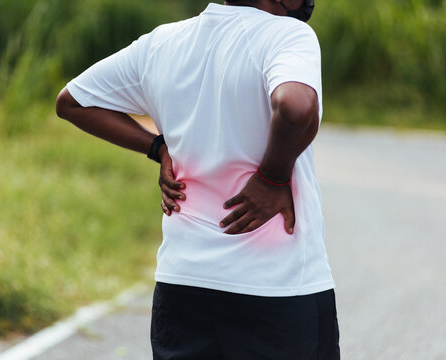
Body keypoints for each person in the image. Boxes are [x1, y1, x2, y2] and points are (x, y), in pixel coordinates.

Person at [56, 0, 340, 358]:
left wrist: (158, 147)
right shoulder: (287, 35)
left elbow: (73, 101)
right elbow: (297, 108)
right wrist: (272, 177)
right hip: (277, 290)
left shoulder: (162, 43)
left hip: (183, 288)